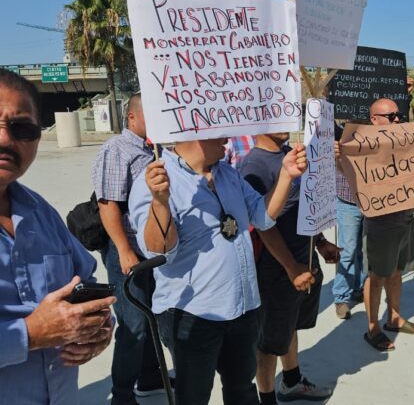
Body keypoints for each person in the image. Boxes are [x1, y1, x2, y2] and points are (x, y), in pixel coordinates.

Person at [129, 135, 312, 405]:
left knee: (242, 389)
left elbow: (261, 216)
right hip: (193, 312)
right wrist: (160, 201)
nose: (226, 138)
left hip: (242, 307)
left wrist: (286, 174)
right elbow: (159, 251)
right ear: (193, 133)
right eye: (217, 131)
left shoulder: (227, 173)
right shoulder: (157, 179)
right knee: (194, 395)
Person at [0, 68, 115, 403]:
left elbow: (86, 280)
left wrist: (99, 326)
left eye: (22, 128)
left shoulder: (41, 213)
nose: (6, 140)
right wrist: (30, 334)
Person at [241, 132, 338, 404]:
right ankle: (267, 398)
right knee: (269, 342)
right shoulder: (254, 166)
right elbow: (262, 225)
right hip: (276, 270)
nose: (284, 122)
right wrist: (290, 266)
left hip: (301, 262)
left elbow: (302, 207)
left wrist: (319, 242)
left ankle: (292, 380)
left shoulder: (289, 155)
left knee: (289, 327)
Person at [92, 93, 166, 404]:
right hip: (128, 250)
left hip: (153, 251)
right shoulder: (117, 149)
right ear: (132, 118)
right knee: (133, 323)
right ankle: (122, 395)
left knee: (151, 316)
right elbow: (107, 203)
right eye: (151, 114)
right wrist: (123, 250)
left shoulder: (156, 150)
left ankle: (149, 378)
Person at [355, 99, 414, 352]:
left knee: (397, 270)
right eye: (390, 116)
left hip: (406, 218)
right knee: (378, 274)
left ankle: (394, 317)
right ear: (374, 119)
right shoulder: (363, 146)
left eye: (398, 115)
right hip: (382, 223)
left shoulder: (406, 140)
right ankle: (372, 326)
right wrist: (339, 156)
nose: (397, 119)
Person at [332, 121, 367, 319]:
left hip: (371, 201)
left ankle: (358, 287)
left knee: (362, 250)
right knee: (348, 250)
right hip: (348, 200)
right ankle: (341, 297)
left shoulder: (375, 130)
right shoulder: (339, 130)